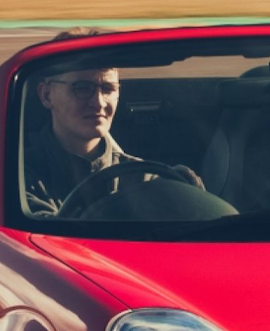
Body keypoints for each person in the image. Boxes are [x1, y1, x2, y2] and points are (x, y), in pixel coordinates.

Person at [23, 30, 201, 216]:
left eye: (108, 89)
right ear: (46, 95)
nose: (99, 102)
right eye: (82, 88)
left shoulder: (146, 179)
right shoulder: (15, 179)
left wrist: (186, 197)